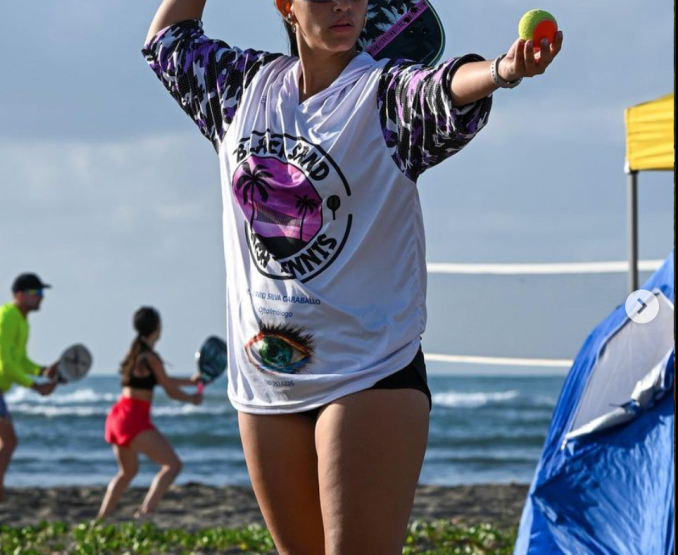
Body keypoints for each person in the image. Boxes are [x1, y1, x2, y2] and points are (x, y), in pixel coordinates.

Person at [142, 1, 562, 553]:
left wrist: (504, 71)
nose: (344, 4)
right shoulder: (239, 90)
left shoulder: (387, 98)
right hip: (266, 382)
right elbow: (168, 40)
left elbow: (447, 87)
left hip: (369, 375)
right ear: (286, 6)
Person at [0, 272, 59, 505]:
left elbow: (20, 360)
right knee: (8, 442)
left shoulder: (21, 321)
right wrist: (36, 387)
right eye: (36, 293)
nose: (41, 298)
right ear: (20, 295)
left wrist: (41, 371)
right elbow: (4, 365)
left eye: (42, 293)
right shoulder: (7, 318)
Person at [98, 306, 203, 519]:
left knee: (127, 473)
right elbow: (170, 390)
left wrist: (190, 382)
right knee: (173, 465)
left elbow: (159, 381)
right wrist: (192, 398)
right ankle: (144, 514)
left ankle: (101, 519)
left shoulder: (134, 353)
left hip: (118, 415)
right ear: (157, 327)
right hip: (133, 418)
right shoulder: (151, 357)